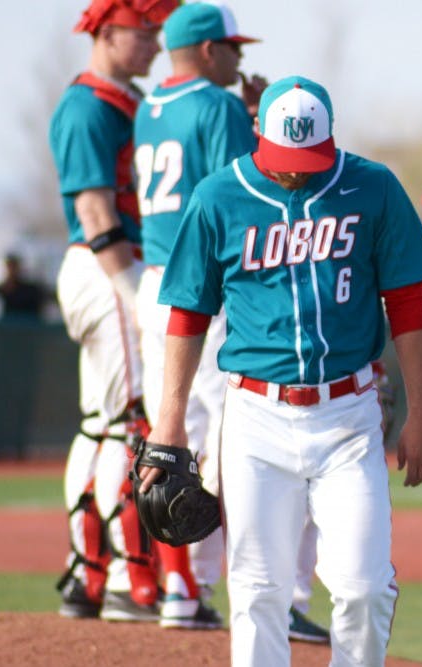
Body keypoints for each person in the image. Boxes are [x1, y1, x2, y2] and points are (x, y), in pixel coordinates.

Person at [139, 75, 422, 667]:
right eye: (284, 158)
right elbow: (187, 313)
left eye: (308, 159)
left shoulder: (372, 187)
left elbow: (408, 300)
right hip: (254, 418)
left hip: (349, 414)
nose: (295, 172)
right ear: (257, 136)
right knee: (257, 592)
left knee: (362, 588)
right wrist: (169, 420)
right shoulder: (218, 196)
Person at [133, 1, 328, 639]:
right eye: (233, 48)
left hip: (153, 282)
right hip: (204, 291)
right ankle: (260, 594)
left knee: (173, 435)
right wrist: (254, 118)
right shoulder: (214, 106)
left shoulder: (148, 107)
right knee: (233, 440)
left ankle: (181, 587)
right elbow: (255, 194)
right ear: (210, 51)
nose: (240, 57)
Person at [48, 0, 178, 623]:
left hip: (110, 266)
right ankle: (124, 576)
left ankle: (90, 574)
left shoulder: (121, 101)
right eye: (144, 30)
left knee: (105, 422)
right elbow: (97, 212)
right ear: (106, 30)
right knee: (125, 423)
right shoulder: (87, 106)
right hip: (107, 267)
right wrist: (134, 292)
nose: (155, 41)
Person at [0, 254, 48, 320]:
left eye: (13, 267)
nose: (11, 271)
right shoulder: (1, 290)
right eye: (9, 267)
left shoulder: (30, 291)